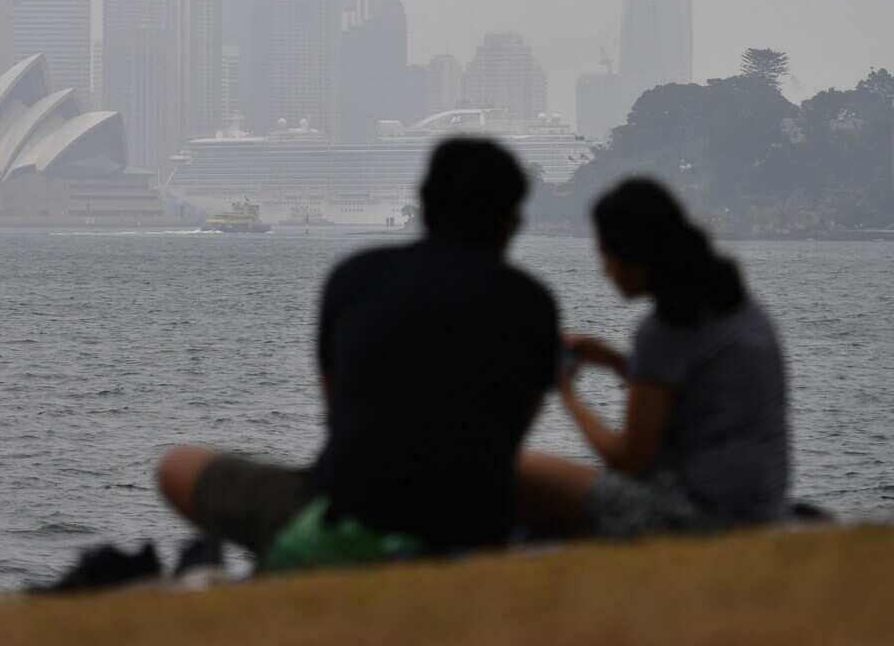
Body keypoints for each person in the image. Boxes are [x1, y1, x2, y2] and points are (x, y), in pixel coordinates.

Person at [157, 139, 560, 565]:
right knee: (547, 478)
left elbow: (336, 407)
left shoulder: (355, 275)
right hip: (471, 525)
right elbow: (514, 433)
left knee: (178, 465)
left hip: (338, 517)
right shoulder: (531, 300)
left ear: (423, 204)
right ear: (510, 220)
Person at [518, 178, 791, 540]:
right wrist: (616, 362)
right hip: (762, 508)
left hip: (696, 519)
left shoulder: (662, 330)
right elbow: (691, 394)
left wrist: (566, 390)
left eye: (607, 256)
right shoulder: (741, 307)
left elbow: (628, 460)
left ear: (633, 255)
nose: (605, 271)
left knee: (515, 472)